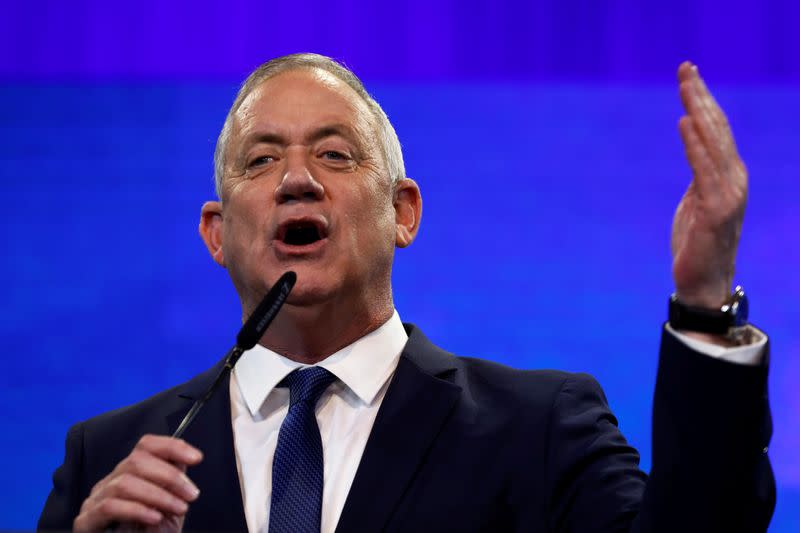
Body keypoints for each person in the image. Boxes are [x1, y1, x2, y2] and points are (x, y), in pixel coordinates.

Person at [38, 53, 775, 532]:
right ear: (217, 233)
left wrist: (703, 302)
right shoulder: (106, 460)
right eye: (260, 159)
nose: (297, 178)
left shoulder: (538, 429)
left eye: (334, 153)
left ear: (403, 213)